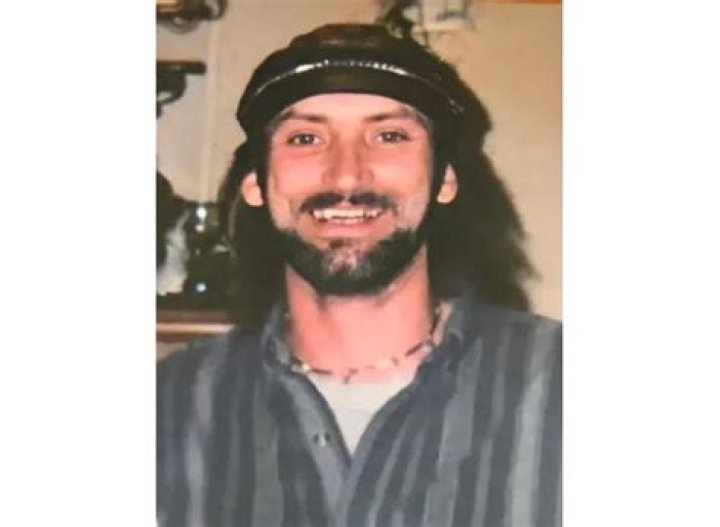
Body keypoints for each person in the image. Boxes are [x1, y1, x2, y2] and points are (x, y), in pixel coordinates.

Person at [157, 23, 561, 527]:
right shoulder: (169, 406)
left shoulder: (561, 386)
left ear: (444, 179)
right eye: (306, 138)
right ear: (256, 183)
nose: (347, 174)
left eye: (389, 136)